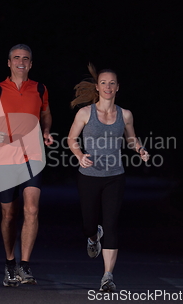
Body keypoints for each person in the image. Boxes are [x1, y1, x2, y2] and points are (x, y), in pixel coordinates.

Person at [67, 63, 149, 292]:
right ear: (97, 86)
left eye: (112, 83)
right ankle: (93, 237)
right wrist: (79, 154)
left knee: (111, 224)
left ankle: (107, 277)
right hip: (89, 176)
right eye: (103, 83)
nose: (108, 86)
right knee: (88, 225)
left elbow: (131, 139)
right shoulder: (85, 113)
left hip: (115, 176)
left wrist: (140, 150)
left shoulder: (125, 114)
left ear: (117, 87)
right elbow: (71, 139)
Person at [0, 44, 53, 287]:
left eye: (26, 58)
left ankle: (25, 265)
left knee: (31, 209)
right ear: (9, 63)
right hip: (4, 159)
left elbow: (46, 113)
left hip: (33, 157)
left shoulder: (40, 88)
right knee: (8, 215)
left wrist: (46, 131)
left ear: (31, 64)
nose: (21, 61)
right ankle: (10, 264)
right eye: (16, 58)